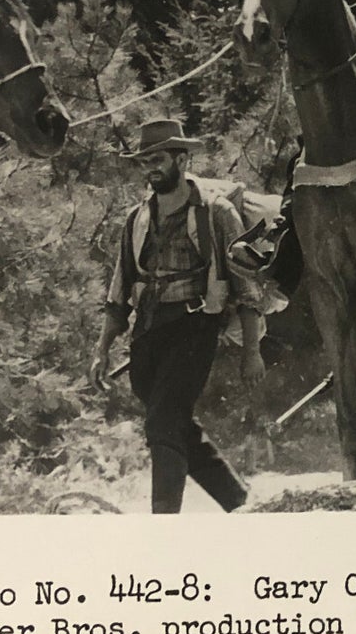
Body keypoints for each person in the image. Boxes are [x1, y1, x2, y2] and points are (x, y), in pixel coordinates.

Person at [90, 118, 266, 513]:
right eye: (144, 161)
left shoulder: (217, 214)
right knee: (174, 425)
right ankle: (238, 503)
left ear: (182, 160)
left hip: (194, 327)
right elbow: (119, 291)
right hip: (146, 334)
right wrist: (102, 348)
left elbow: (247, 288)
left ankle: (163, 524)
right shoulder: (136, 219)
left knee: (163, 423)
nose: (149, 168)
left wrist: (251, 350)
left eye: (158, 159)